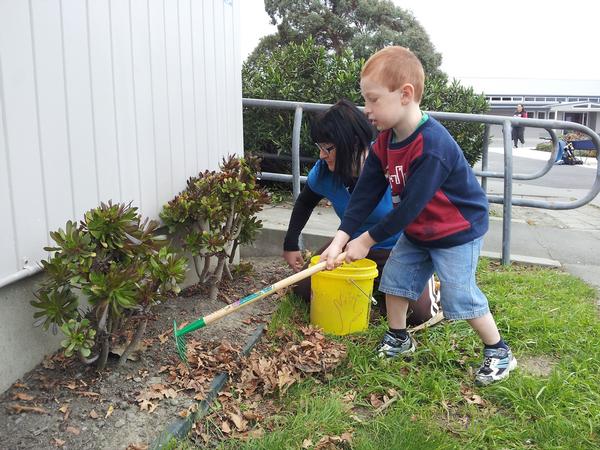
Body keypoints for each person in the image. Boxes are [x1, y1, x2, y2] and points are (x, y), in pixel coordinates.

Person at [320, 47, 517, 385]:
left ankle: (499, 351)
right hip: (417, 230)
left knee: (459, 293)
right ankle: (398, 338)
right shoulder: (384, 142)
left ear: (406, 94)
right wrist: (341, 238)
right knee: (395, 281)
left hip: (456, 231)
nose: (366, 110)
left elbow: (410, 205)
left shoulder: (432, 146)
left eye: (373, 100)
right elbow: (366, 192)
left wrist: (366, 240)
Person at [283, 99, 439, 327]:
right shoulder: (324, 172)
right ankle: (374, 284)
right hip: (351, 248)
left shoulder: (388, 163)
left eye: (328, 148)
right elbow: (305, 202)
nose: (321, 156)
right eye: (320, 147)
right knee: (304, 290)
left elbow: (413, 212)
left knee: (418, 315)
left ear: (353, 143)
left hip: (399, 249)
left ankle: (424, 283)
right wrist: (290, 243)